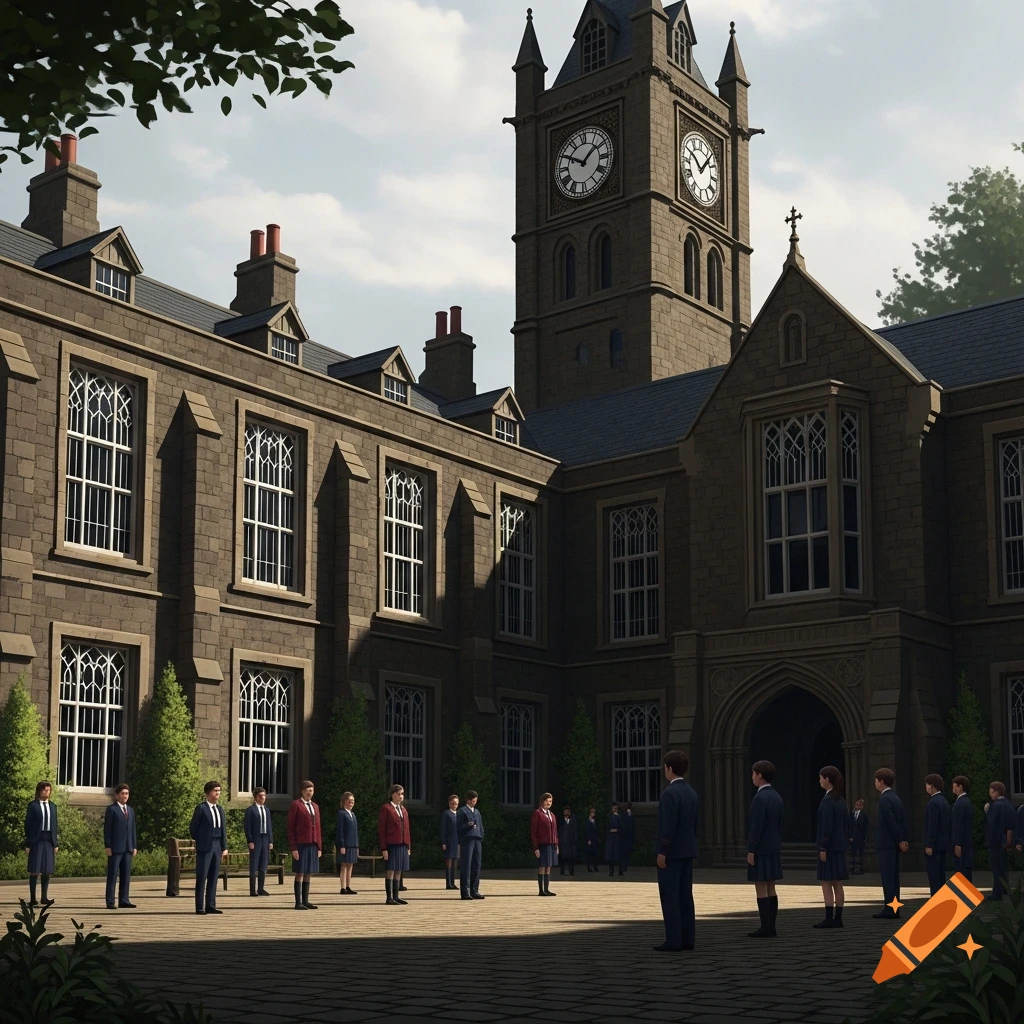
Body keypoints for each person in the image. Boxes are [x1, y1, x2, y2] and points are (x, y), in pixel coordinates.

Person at [654, 749, 698, 953]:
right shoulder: (691, 792)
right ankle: (688, 938)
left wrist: (662, 851)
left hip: (671, 853)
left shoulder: (669, 794)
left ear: (669, 769)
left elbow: (668, 826)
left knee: (670, 895)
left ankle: (674, 940)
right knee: (685, 896)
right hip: (688, 850)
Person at [746, 760, 783, 939]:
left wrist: (751, 848)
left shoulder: (760, 798)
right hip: (773, 845)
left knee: (761, 886)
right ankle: (771, 926)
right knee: (771, 886)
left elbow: (756, 826)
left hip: (761, 847)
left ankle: (765, 927)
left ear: (759, 775)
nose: (752, 776)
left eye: (753, 773)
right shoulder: (776, 796)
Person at [813, 766, 850, 929]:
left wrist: (823, 847)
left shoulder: (827, 801)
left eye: (821, 777)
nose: (820, 780)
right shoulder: (841, 800)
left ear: (827, 779)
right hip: (839, 846)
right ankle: (839, 918)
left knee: (826, 881)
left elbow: (826, 826)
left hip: (829, 847)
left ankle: (829, 918)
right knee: (838, 882)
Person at [872, 768, 909, 919]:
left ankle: (889, 909)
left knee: (888, 877)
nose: (875, 783)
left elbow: (891, 822)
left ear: (881, 781)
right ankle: (894, 908)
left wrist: (899, 839)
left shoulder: (884, 799)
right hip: (893, 845)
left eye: (876, 780)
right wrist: (903, 839)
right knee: (894, 878)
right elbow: (902, 821)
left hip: (887, 845)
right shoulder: (896, 798)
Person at [189, 780, 228, 914]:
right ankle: (200, 907)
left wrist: (224, 847)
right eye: (215, 791)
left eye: (219, 790)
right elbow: (193, 828)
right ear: (208, 793)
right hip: (205, 846)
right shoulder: (201, 808)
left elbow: (223, 829)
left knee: (213, 876)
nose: (218, 793)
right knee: (202, 877)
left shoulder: (220, 809)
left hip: (217, 846)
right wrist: (201, 840)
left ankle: (211, 905)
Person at [287, 780, 322, 910]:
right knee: (300, 872)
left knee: (309, 872)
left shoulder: (315, 806)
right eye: (307, 789)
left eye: (311, 789)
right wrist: (293, 847)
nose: (309, 792)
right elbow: (291, 827)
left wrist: (319, 846)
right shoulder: (296, 805)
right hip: (301, 844)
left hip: (313, 843)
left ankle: (306, 900)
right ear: (302, 791)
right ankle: (298, 902)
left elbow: (318, 827)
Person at [25, 780, 59, 909]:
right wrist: (28, 843)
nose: (47, 792)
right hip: (37, 840)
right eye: (44, 790)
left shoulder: (53, 806)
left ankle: (44, 897)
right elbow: (28, 825)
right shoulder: (33, 806)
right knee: (34, 869)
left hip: (49, 839)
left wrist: (55, 843)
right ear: (39, 791)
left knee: (47, 870)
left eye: (49, 790)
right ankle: (33, 898)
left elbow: (55, 825)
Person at [103, 783, 137, 909]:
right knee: (112, 875)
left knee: (126, 874)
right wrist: (108, 845)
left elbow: (132, 829)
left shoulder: (130, 810)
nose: (125, 796)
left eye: (127, 793)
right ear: (117, 795)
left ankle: (124, 899)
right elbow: (108, 829)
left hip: (128, 847)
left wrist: (134, 846)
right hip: (115, 847)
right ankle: (110, 901)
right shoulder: (112, 809)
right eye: (122, 793)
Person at [378, 784, 411, 905]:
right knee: (391, 869)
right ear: (392, 794)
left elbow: (407, 829)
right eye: (398, 794)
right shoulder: (386, 808)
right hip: (392, 844)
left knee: (399, 869)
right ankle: (389, 897)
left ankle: (396, 896)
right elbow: (382, 829)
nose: (401, 796)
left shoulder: (403, 810)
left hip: (402, 843)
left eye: (402, 794)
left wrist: (408, 845)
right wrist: (384, 848)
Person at [983, 781, 1015, 901]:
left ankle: (997, 893)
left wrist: (987, 811)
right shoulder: (1008, 804)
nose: (990, 794)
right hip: (1004, 841)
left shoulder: (995, 806)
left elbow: (992, 824)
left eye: (991, 792)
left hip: (995, 842)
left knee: (996, 868)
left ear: (996, 792)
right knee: (1003, 867)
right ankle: (1005, 889)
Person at [922, 773, 950, 896]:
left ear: (933, 786)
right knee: (940, 873)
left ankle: (936, 899)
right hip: (943, 844)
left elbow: (933, 825)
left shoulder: (933, 803)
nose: (926, 788)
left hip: (935, 845)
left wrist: (929, 844)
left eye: (927, 785)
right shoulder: (943, 801)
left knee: (933, 875)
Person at [244, 787, 274, 897]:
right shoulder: (250, 810)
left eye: (264, 796)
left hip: (265, 838)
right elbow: (248, 827)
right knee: (254, 865)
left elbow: (269, 826)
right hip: (256, 839)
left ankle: (261, 888)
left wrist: (270, 840)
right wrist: (250, 840)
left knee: (263, 865)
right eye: (261, 796)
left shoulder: (266, 810)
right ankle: (252, 890)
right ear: (255, 797)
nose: (263, 798)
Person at [457, 790, 485, 900]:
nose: (474, 803)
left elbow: (481, 825)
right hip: (467, 840)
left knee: (476, 864)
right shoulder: (462, 811)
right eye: (473, 801)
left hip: (477, 839)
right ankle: (465, 891)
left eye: (475, 801)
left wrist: (481, 834)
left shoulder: (477, 812)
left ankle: (474, 890)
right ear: (468, 800)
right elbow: (458, 827)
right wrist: (467, 825)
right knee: (466, 865)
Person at [530, 792, 559, 896]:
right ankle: (541, 890)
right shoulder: (538, 813)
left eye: (550, 801)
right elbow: (534, 831)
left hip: (551, 844)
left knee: (548, 866)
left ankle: (546, 889)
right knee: (542, 865)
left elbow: (555, 831)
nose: (548, 803)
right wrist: (536, 847)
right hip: (542, 844)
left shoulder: (552, 815)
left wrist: (556, 844)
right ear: (542, 801)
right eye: (547, 801)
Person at [950, 775, 974, 883]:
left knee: (962, 870)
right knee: (965, 870)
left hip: (962, 844)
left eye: (955, 785)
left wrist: (958, 843)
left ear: (960, 787)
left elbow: (959, 825)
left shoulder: (960, 803)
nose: (953, 788)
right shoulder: (966, 801)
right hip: (966, 842)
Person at [336, 791, 359, 895]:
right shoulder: (341, 813)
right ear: (344, 801)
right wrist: (341, 845)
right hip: (345, 844)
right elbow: (340, 831)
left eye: (353, 801)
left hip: (353, 844)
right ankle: (342, 887)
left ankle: (348, 886)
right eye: (349, 801)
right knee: (344, 865)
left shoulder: (353, 814)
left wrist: (357, 845)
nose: (351, 803)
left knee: (350, 865)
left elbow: (355, 831)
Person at [440, 794, 460, 890]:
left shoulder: (459, 814)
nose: (454, 805)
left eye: (456, 803)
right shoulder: (446, 814)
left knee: (455, 863)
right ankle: (448, 883)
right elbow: (443, 829)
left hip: (457, 842)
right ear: (449, 803)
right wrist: (443, 842)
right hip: (449, 841)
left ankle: (453, 882)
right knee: (449, 862)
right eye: (452, 803)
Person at [849, 798, 868, 875]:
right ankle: (852, 869)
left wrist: (865, 837)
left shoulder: (864, 815)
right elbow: (849, 825)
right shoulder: (851, 814)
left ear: (862, 806)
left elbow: (865, 827)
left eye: (859, 805)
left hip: (860, 836)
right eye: (857, 805)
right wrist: (849, 836)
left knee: (860, 853)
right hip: (853, 836)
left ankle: (860, 869)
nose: (858, 807)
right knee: (852, 853)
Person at [558, 806, 578, 876]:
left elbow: (575, 831)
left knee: (571, 858)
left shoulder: (573, 820)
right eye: (565, 811)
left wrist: (575, 841)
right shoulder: (561, 821)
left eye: (568, 811)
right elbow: (559, 831)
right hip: (563, 842)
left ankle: (571, 871)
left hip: (571, 842)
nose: (567, 813)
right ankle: (562, 871)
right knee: (562, 858)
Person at [605, 803, 621, 878]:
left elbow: (621, 826)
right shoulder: (609, 817)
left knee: (617, 854)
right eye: (613, 808)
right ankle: (611, 871)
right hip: (610, 837)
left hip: (617, 837)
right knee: (611, 854)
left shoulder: (619, 817)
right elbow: (606, 826)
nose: (614, 809)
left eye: (615, 808)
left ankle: (620, 871)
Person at [619, 801, 635, 876]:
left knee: (626, 853)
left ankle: (624, 866)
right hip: (623, 837)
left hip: (628, 837)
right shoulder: (622, 815)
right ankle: (622, 867)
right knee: (623, 853)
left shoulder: (629, 815)